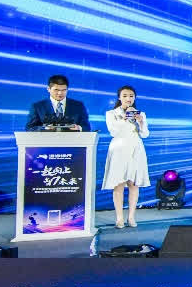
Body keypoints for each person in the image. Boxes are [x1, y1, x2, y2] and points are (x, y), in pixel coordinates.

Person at [101, 84, 149, 229]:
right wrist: (126, 117)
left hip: (136, 149)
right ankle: (119, 218)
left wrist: (140, 122)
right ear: (119, 97)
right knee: (119, 184)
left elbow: (145, 134)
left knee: (133, 184)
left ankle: (131, 217)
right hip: (119, 149)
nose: (128, 99)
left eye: (131, 96)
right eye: (125, 96)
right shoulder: (111, 113)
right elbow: (113, 131)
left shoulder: (141, 114)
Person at [25, 74, 92, 131]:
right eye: (56, 90)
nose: (60, 93)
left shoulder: (78, 105)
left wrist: (79, 128)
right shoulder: (38, 107)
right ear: (48, 89)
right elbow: (29, 128)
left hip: (72, 141)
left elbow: (87, 127)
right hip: (46, 141)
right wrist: (44, 128)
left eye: (64, 90)